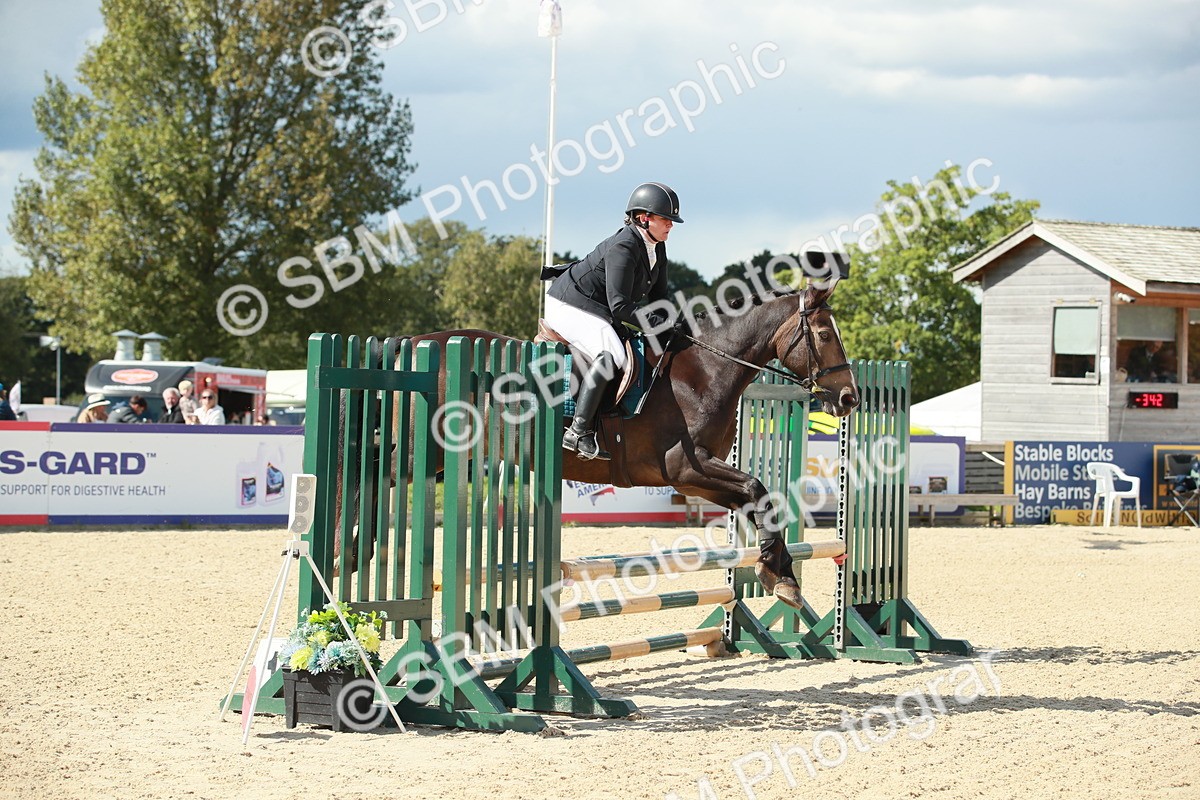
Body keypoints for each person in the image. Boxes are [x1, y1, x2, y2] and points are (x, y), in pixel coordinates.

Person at [541, 182, 687, 461]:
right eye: (666, 219)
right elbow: (620, 305)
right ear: (644, 218)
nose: (671, 225)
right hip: (569, 305)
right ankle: (579, 430)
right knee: (612, 355)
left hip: (598, 308)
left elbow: (659, 299)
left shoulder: (657, 248)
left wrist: (676, 324)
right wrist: (657, 324)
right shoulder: (625, 245)